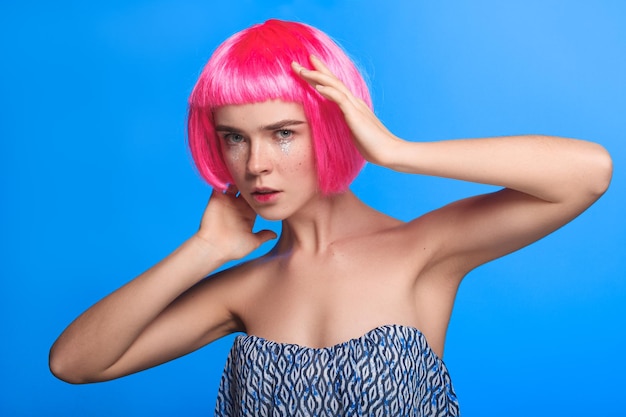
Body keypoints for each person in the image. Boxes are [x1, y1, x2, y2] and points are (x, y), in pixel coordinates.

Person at [49, 19, 612, 416]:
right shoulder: (242, 288)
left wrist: (397, 151)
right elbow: (75, 364)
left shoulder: (423, 250)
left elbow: (589, 171)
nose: (257, 164)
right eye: (234, 139)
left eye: (283, 133)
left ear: (334, 125)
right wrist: (205, 251)